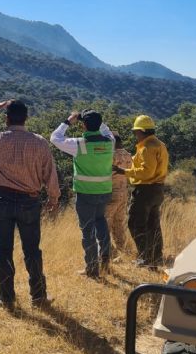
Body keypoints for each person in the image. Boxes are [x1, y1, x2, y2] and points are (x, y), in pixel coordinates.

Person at [0, 100, 60, 310]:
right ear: (26, 118)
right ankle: (38, 297)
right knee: (32, 251)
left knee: (3, 250)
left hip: (2, 199)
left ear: (6, 118)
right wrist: (53, 198)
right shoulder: (39, 142)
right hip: (29, 201)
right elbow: (50, 173)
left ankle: (7, 298)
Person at [50, 110, 115, 278]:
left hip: (86, 193)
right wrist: (92, 119)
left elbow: (55, 138)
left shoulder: (79, 144)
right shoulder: (110, 142)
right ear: (99, 123)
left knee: (87, 230)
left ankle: (92, 269)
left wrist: (69, 120)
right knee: (101, 222)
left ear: (84, 125)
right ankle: (105, 259)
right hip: (104, 190)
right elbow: (106, 130)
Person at [114, 115, 168, 269]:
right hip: (157, 190)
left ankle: (145, 258)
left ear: (142, 131)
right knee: (153, 225)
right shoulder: (159, 144)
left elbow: (146, 173)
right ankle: (156, 257)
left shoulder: (146, 147)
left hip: (146, 190)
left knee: (136, 224)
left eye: (136, 132)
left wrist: (123, 170)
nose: (135, 135)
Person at [106, 132, 132, 256]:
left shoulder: (111, 155)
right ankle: (122, 249)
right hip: (124, 192)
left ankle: (109, 251)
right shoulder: (128, 155)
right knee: (119, 222)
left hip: (111, 192)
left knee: (106, 222)